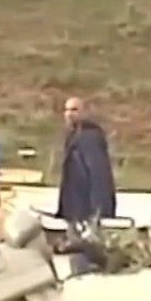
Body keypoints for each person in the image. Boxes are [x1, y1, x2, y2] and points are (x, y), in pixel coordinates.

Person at [56, 96, 116, 226]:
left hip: (85, 211)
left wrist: (99, 211)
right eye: (67, 110)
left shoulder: (90, 137)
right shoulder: (72, 137)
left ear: (83, 112)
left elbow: (98, 174)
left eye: (74, 110)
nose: (69, 114)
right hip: (73, 210)